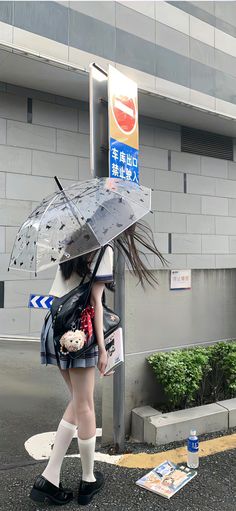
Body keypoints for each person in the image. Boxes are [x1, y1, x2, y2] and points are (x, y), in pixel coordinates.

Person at [30, 220, 167, 506]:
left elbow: (63, 292)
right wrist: (104, 349)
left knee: (78, 402)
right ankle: (88, 480)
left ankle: (50, 477)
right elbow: (96, 303)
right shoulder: (104, 250)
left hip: (54, 327)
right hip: (78, 331)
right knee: (86, 405)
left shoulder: (71, 246)